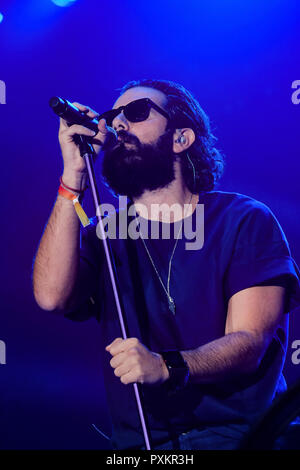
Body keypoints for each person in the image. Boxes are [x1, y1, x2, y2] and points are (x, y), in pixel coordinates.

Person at [33, 79, 300, 450]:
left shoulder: (243, 220)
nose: (119, 124)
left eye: (137, 112)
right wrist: (71, 180)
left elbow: (250, 341)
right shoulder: (106, 234)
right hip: (140, 446)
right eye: (113, 118)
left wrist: (166, 366)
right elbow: (50, 297)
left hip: (239, 436)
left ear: (181, 139)